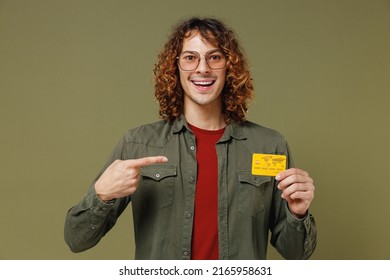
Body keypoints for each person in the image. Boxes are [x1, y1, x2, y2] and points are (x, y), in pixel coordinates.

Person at [64, 17, 317, 260]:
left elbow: (296, 254)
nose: (202, 68)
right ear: (175, 66)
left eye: (214, 57)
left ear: (230, 66)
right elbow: (77, 240)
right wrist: (102, 195)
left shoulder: (269, 146)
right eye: (190, 57)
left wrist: (298, 213)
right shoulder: (138, 143)